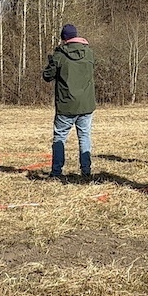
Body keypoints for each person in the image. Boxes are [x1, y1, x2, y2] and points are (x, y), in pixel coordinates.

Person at [43, 23, 96, 179]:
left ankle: (56, 172)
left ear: (63, 38)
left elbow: (47, 76)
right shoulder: (89, 53)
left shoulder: (60, 55)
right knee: (84, 136)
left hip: (66, 104)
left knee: (60, 137)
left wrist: (52, 62)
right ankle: (86, 171)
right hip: (86, 104)